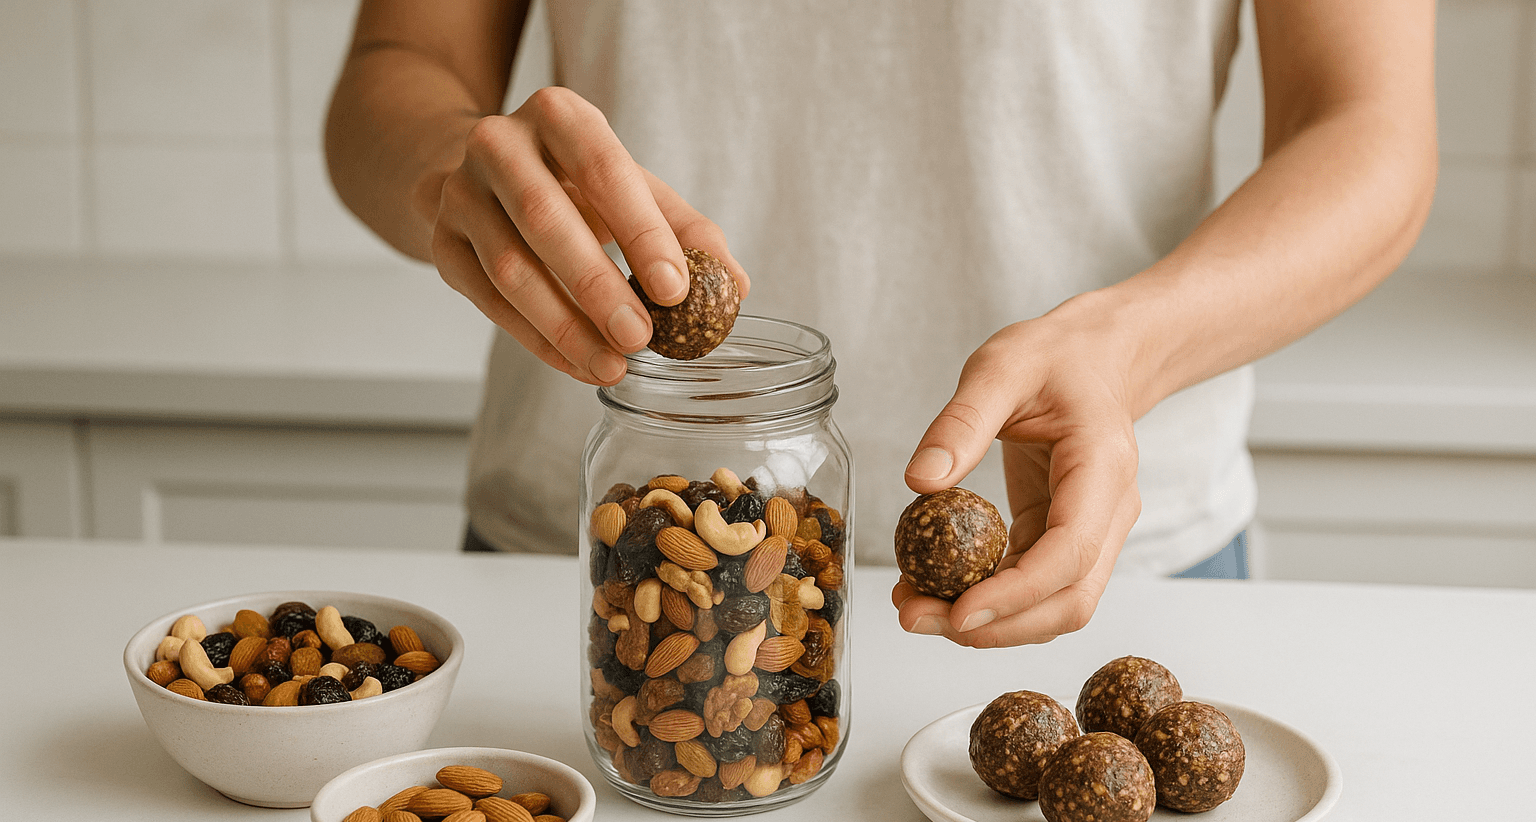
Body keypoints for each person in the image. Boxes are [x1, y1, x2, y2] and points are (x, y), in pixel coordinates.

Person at [326, 0, 1436, 648]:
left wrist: (1130, 344)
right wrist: (456, 179)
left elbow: (1370, 127)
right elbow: (397, 70)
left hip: (1088, 554)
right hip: (610, 556)